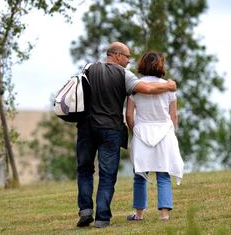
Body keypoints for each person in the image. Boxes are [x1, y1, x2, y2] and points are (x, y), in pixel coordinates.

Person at [76, 42, 177, 228]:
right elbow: (147, 89)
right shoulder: (124, 75)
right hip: (111, 129)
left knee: (84, 170)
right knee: (107, 174)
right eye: (127, 57)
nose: (129, 61)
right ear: (116, 55)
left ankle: (85, 210)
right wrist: (169, 86)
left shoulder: (89, 68)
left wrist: (136, 131)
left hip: (86, 127)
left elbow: (80, 93)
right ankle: (102, 218)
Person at [125, 52, 184, 222]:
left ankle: (139, 214)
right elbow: (174, 116)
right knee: (163, 174)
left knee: (140, 175)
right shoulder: (169, 87)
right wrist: (171, 132)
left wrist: (134, 130)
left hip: (142, 131)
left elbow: (129, 115)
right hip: (164, 132)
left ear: (143, 65)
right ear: (161, 65)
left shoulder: (135, 86)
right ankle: (164, 214)